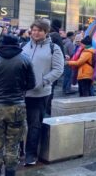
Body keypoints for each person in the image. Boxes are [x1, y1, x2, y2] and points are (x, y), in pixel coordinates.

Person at [0, 35, 36, 176]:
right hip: (17, 107)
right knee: (13, 145)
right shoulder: (25, 59)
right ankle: (10, 172)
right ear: (17, 44)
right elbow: (31, 84)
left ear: (1, 43)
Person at [21, 19, 64, 166]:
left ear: (46, 32)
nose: (35, 32)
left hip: (40, 93)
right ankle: (19, 150)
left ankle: (30, 154)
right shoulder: (25, 46)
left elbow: (58, 69)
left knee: (34, 124)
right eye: (33, 30)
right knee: (19, 123)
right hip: (21, 93)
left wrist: (44, 81)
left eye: (39, 30)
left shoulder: (54, 48)